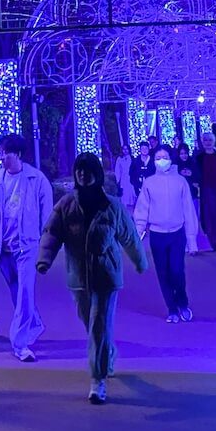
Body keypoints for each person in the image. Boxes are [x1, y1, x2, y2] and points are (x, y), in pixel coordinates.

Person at [38, 153, 147, 405]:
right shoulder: (66, 205)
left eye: (87, 170)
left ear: (97, 173)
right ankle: (107, 353)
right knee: (90, 324)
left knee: (98, 326)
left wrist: (139, 262)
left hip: (106, 276)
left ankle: (97, 380)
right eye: (79, 170)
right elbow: (52, 233)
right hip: (77, 277)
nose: (82, 175)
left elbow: (129, 236)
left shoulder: (111, 206)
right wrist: (44, 259)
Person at [0, 132, 54, 362]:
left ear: (18, 154)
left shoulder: (36, 179)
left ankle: (20, 344)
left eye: (6, 152)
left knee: (24, 293)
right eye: (0, 152)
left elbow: (48, 216)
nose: (2, 157)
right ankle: (34, 323)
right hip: (4, 248)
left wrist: (45, 247)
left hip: (27, 247)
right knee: (16, 291)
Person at [134, 144, 198, 322]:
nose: (161, 161)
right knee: (163, 273)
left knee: (177, 270)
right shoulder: (149, 183)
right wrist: (137, 237)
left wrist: (191, 241)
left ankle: (182, 302)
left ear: (171, 159)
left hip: (177, 234)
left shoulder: (180, 182)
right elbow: (141, 211)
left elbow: (188, 210)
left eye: (165, 157)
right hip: (157, 234)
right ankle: (171, 309)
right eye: (158, 158)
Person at [113, 143, 136, 210]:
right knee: (124, 195)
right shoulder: (119, 159)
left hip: (131, 178)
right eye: (124, 149)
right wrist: (117, 180)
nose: (125, 151)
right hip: (123, 178)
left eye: (127, 149)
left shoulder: (132, 158)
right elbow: (117, 170)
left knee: (131, 194)